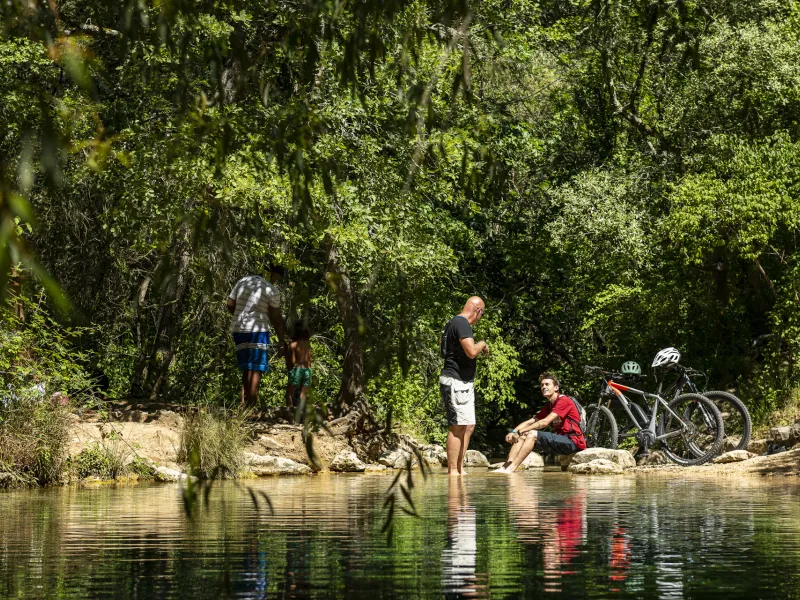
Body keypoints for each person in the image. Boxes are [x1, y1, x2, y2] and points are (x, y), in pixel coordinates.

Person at [495, 373, 586, 473]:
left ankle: (512, 468)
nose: (544, 387)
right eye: (542, 385)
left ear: (556, 387)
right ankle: (505, 467)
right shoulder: (549, 405)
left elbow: (545, 422)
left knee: (532, 434)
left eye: (547, 384)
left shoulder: (564, 401)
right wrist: (513, 431)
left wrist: (521, 430)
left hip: (573, 441)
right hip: (561, 440)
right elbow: (530, 421)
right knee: (522, 436)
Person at [439, 296, 489, 476]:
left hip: (463, 382)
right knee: (458, 426)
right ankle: (453, 472)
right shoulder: (461, 323)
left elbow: (443, 347)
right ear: (478, 311)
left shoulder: (452, 322)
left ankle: (460, 469)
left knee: (468, 425)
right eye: (481, 315)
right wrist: (482, 343)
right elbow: (471, 352)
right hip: (455, 381)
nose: (479, 319)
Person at [227, 265, 286, 408]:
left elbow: (229, 304)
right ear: (273, 274)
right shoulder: (270, 289)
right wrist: (281, 340)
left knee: (247, 366)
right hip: (258, 330)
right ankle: (252, 405)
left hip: (239, 329)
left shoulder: (242, 282)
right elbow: (276, 318)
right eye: (277, 277)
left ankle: (244, 405)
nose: (276, 280)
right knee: (257, 367)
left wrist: (240, 315)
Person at [285, 324, 312, 410]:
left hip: (297, 369)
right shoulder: (307, 344)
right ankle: (302, 412)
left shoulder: (293, 345)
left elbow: (293, 362)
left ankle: (290, 411)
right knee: (303, 394)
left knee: (289, 393)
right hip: (307, 370)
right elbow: (309, 359)